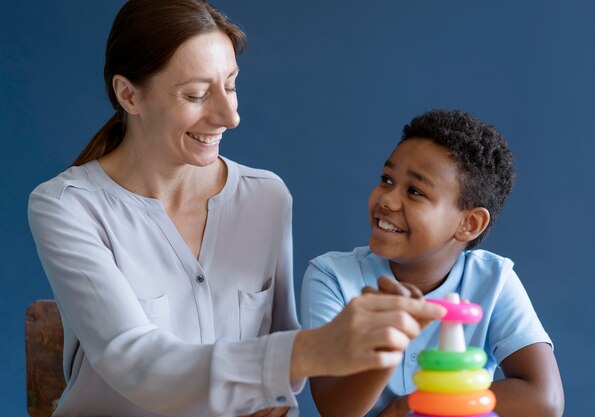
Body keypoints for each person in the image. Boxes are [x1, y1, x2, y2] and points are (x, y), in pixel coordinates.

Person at [27, 2, 446, 417]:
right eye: (196, 94)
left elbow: (280, 352)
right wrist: (312, 350)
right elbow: (134, 362)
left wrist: (364, 349)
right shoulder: (66, 207)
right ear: (128, 95)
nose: (230, 116)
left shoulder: (267, 197)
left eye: (230, 85)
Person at [300, 109, 565, 417]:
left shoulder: (494, 280)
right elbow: (335, 409)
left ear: (470, 223)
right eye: (387, 180)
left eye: (414, 191)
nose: (387, 199)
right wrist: (389, 340)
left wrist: (409, 407)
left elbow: (544, 399)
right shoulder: (332, 276)